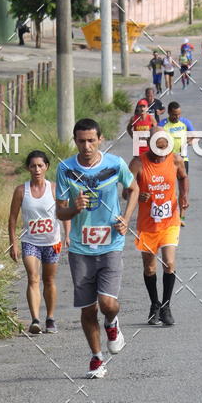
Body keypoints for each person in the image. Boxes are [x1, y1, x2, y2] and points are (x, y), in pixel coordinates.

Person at [56, 119, 139, 378]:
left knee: (107, 303)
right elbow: (60, 211)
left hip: (111, 243)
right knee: (88, 308)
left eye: (91, 140)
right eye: (81, 141)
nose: (87, 146)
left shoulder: (115, 164)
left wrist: (126, 218)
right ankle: (96, 358)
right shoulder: (65, 169)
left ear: (100, 139)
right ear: (75, 141)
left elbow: (133, 188)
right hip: (80, 249)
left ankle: (112, 323)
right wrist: (74, 208)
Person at [129, 130, 189, 326]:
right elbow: (126, 192)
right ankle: (154, 304)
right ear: (150, 144)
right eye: (159, 148)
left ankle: (166, 306)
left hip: (170, 221)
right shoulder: (138, 163)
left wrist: (184, 195)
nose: (162, 152)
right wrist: (138, 195)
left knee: (169, 263)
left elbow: (183, 177)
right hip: (147, 224)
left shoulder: (176, 159)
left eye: (165, 147)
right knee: (149, 268)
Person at [8, 150, 70, 334]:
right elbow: (12, 219)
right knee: (33, 277)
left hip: (52, 242)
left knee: (49, 280)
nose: (37, 169)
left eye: (40, 166)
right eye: (33, 166)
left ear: (46, 167)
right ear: (28, 168)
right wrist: (13, 243)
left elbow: (65, 213)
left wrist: (68, 234)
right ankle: (35, 319)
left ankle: (50, 318)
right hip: (30, 241)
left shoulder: (54, 188)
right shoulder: (21, 191)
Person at [161, 102, 194, 227]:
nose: (177, 117)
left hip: (183, 159)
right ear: (169, 113)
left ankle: (181, 217)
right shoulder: (162, 124)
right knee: (168, 189)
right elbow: (155, 139)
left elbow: (193, 136)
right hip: (167, 160)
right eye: (175, 115)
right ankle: (169, 216)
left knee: (183, 189)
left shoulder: (185, 122)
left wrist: (187, 142)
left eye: (179, 114)